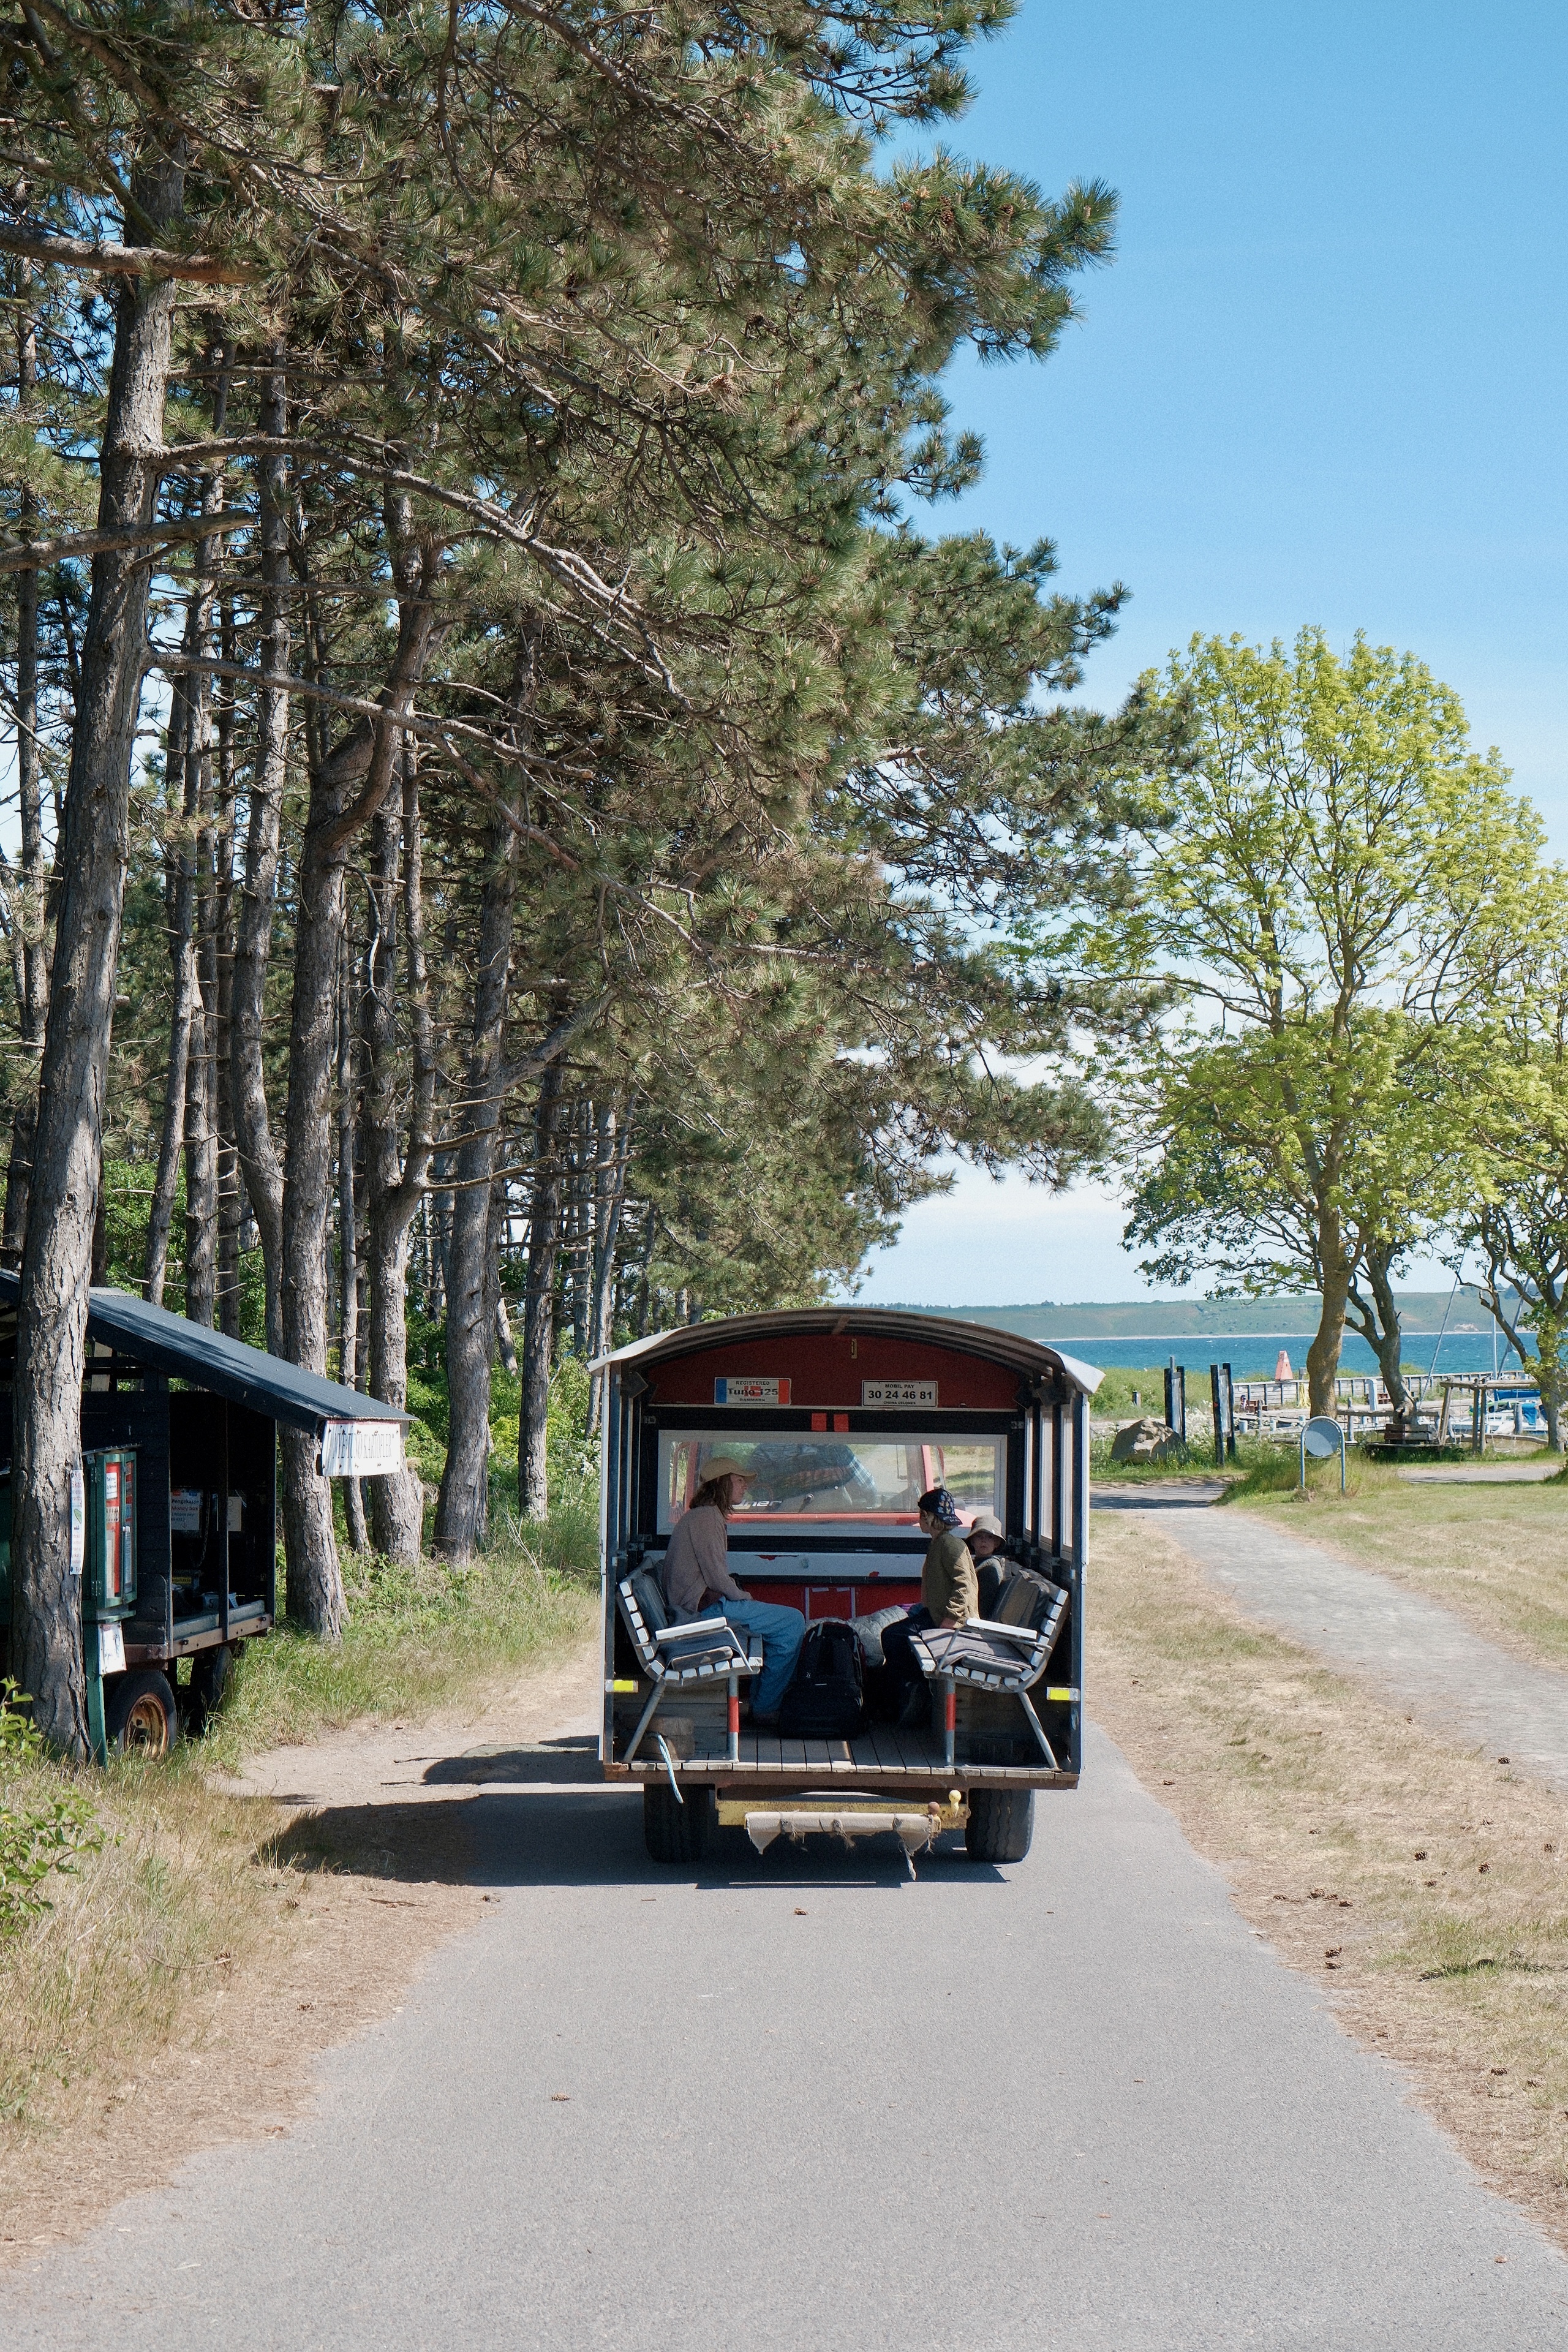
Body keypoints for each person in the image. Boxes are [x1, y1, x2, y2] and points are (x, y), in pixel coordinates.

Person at [659, 1454, 804, 1728]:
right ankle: (765, 1708)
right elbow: (716, 1576)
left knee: (780, 1627)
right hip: (701, 1613)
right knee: (792, 1623)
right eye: (739, 1480)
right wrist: (744, 1597)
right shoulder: (706, 1518)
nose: (745, 1486)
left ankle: (763, 1705)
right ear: (722, 1483)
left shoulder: (702, 1516)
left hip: (699, 1607)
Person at [878, 1485, 979, 1728]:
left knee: (893, 1637)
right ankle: (909, 1692)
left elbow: (964, 1586)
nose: (920, 1519)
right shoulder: (939, 1543)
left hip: (953, 1623)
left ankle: (919, 1688)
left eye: (922, 1514)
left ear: (931, 1517)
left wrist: (949, 1620)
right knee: (894, 1636)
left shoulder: (950, 1546)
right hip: (933, 1615)